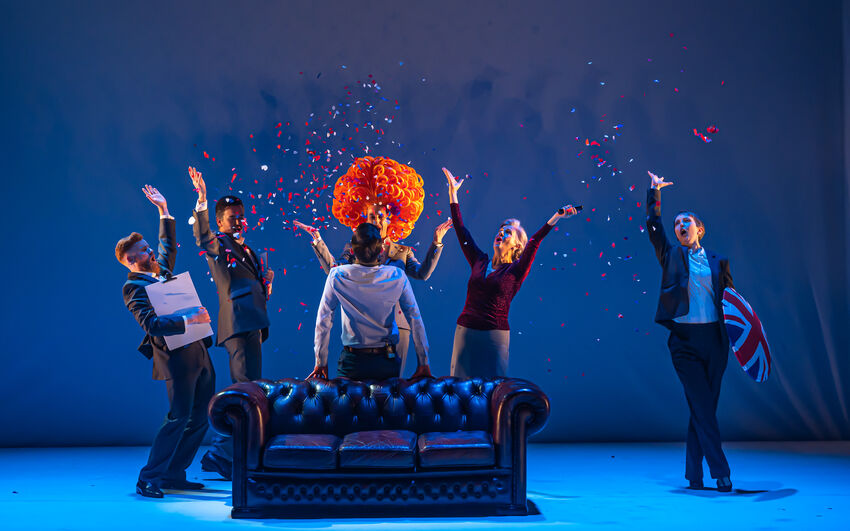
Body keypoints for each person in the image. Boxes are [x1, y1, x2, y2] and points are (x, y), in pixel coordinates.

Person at [294, 156, 451, 378]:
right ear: (362, 219)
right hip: (361, 331)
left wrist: (436, 243)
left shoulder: (401, 252)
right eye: (371, 216)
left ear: (390, 218)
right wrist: (318, 242)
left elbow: (422, 274)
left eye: (380, 216)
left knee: (394, 381)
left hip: (399, 327)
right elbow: (335, 271)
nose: (376, 220)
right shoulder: (353, 248)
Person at [116, 185, 215, 498]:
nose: (151, 253)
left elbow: (167, 245)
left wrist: (164, 210)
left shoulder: (161, 273)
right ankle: (149, 477)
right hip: (176, 358)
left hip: (198, 351)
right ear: (133, 260)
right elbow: (152, 324)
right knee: (178, 417)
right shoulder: (133, 288)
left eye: (148, 247)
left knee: (200, 418)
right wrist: (189, 320)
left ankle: (174, 473)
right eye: (145, 251)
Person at [646, 170, 734, 492]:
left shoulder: (718, 261)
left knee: (703, 406)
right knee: (701, 403)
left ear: (699, 229)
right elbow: (654, 229)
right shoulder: (669, 255)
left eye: (686, 222)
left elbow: (731, 302)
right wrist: (655, 194)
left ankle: (693, 474)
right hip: (684, 342)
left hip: (714, 341)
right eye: (677, 224)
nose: (681, 227)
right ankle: (721, 471)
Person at [443, 167, 577, 378]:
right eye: (500, 230)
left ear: (516, 246)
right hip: (465, 332)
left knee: (493, 392)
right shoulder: (479, 260)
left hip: (494, 338)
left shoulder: (515, 271)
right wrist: (453, 193)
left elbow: (534, 241)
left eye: (508, 233)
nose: (501, 233)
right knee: (460, 389)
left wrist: (556, 217)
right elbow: (460, 230)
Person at [188, 167, 274, 480]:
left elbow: (247, 282)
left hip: (253, 323)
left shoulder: (247, 249)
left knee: (253, 388)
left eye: (241, 215)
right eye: (232, 217)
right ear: (220, 221)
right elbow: (202, 236)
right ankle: (220, 454)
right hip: (238, 324)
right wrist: (202, 200)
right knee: (244, 390)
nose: (239, 221)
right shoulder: (219, 244)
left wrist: (264, 287)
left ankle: (233, 453)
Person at [309, 223, 433, 381]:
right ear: (381, 250)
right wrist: (424, 362)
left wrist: (321, 362)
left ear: (352, 251)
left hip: (352, 362)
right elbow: (414, 318)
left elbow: (323, 320)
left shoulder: (337, 275)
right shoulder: (397, 275)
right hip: (386, 361)